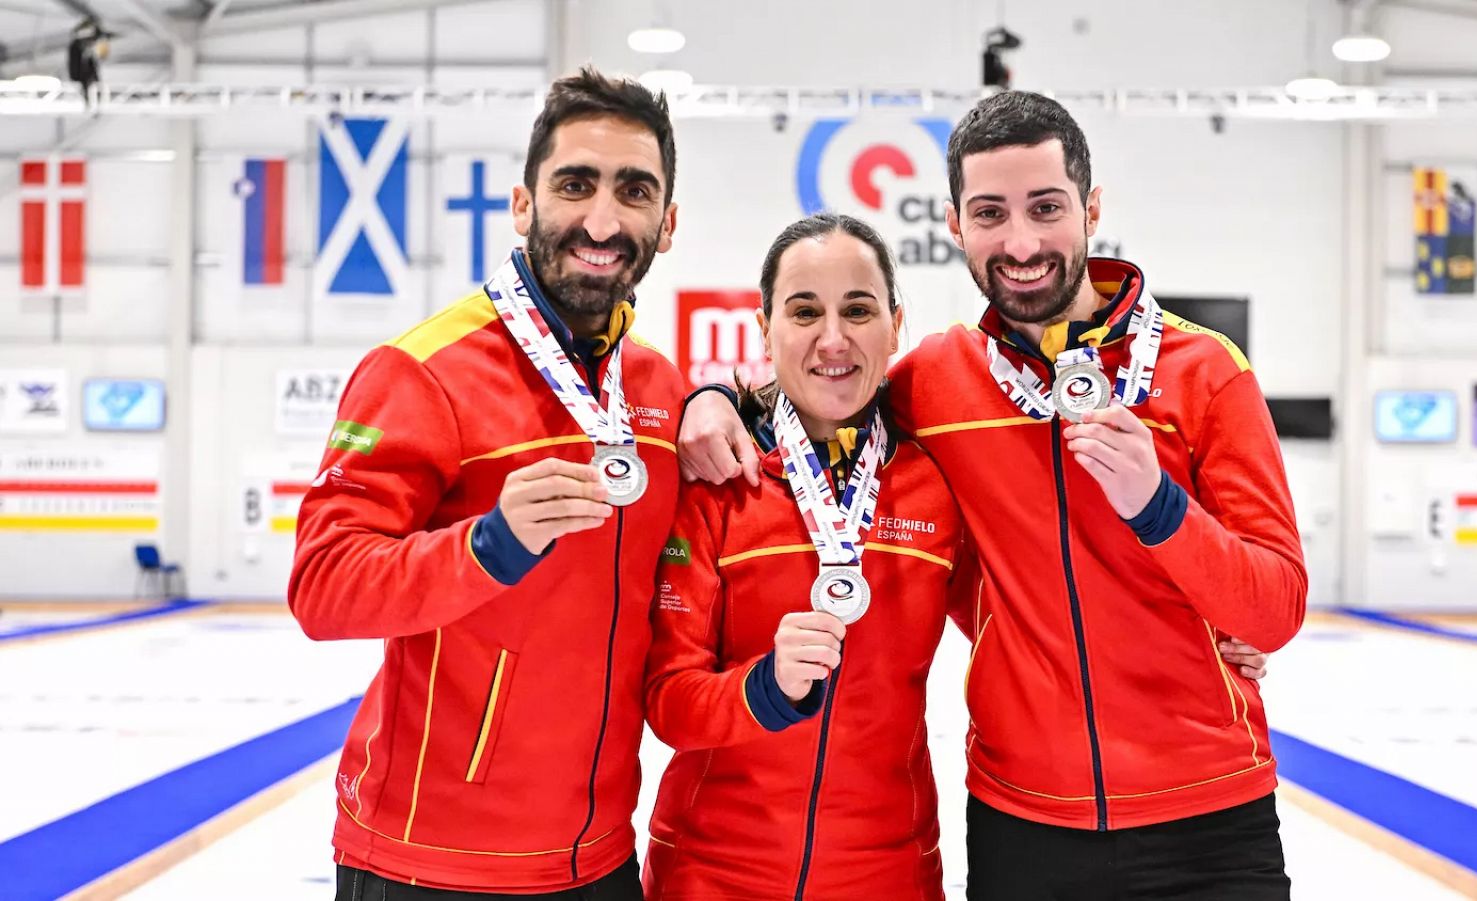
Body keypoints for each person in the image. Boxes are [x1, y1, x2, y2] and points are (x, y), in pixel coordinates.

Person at [679, 90, 1305, 900]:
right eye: (990, 213)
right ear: (955, 226)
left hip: (1209, 815)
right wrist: (718, 399)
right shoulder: (939, 379)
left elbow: (1276, 608)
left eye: (1046, 208)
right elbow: (826, 381)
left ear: (1091, 207)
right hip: (1026, 820)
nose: (1021, 242)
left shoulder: (1205, 373)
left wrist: (1160, 507)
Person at [289, 67, 684, 899]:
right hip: (426, 857)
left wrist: (717, 399)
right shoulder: (423, 371)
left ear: (667, 222)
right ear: (523, 204)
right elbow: (323, 589)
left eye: (634, 190)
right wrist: (488, 544)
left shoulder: (660, 391)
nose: (603, 219)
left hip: (600, 856)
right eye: (575, 184)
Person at [641, 213, 969, 899]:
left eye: (858, 310)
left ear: (895, 324)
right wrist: (762, 688)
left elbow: (1032, 617)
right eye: (804, 311)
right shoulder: (717, 482)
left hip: (889, 874)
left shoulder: (938, 485)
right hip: (713, 875)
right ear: (763, 328)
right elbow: (668, 699)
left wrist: (1203, 635)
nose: (833, 338)